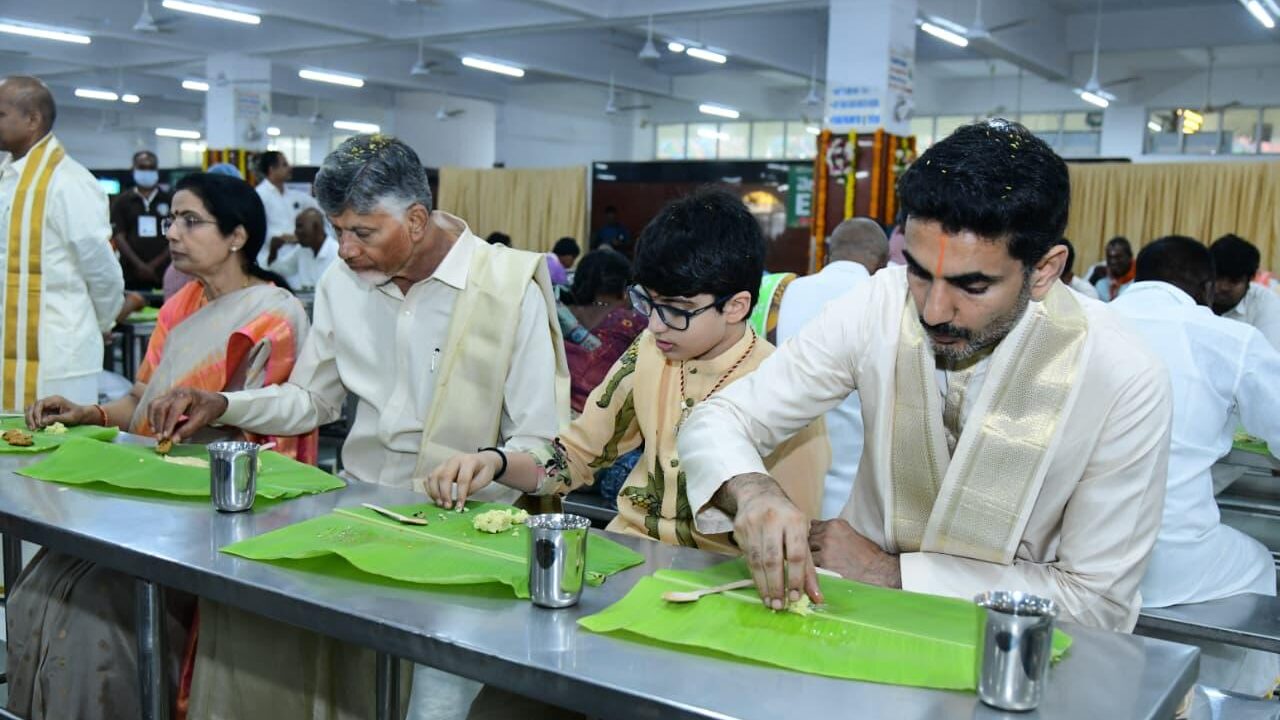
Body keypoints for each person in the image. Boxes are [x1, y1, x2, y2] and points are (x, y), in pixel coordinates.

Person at [676, 119, 1172, 632]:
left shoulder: (1122, 376)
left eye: (972, 285)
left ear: (1045, 269)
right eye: (918, 270)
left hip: (1014, 653)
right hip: (853, 625)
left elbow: (1097, 603)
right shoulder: (879, 303)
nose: (934, 311)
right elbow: (722, 417)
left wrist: (890, 573)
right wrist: (754, 490)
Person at [144, 134, 567, 720]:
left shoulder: (506, 286)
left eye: (362, 232)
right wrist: (223, 403)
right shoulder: (345, 284)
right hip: (363, 515)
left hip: (466, 537)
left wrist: (492, 462)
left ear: (416, 219)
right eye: (337, 229)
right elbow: (313, 400)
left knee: (437, 705)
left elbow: (542, 445)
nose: (344, 250)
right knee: (349, 692)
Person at [8, 171, 312, 720]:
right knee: (39, 588)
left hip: (209, 506)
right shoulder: (181, 304)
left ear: (238, 236)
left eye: (191, 221)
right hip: (145, 494)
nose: (173, 231)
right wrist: (91, 413)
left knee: (94, 614)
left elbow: (265, 430)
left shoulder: (274, 314)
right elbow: (143, 401)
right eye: (172, 218)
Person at [426, 187, 828, 553]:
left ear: (736, 306)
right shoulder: (651, 351)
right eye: (647, 302)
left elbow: (790, 536)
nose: (654, 324)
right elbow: (574, 458)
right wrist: (495, 462)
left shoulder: (782, 389)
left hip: (720, 579)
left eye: (677, 310)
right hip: (628, 553)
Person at [1111, 236, 1280, 695]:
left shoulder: (1090, 322)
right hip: (1167, 558)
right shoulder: (1225, 337)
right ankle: (1233, 699)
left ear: (1138, 277)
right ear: (1205, 288)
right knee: (1260, 564)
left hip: (1075, 552)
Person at [0, 75, 124, 410]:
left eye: (0, 114)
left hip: (58, 353)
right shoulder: (7, 178)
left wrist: (98, 323)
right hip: (6, 349)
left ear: (32, 120)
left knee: (54, 454)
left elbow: (102, 272)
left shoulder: (69, 182)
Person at [776, 217, 889, 519]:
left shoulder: (794, 290)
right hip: (859, 484)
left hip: (793, 470)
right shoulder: (883, 296)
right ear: (883, 262)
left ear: (827, 256)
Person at [560, 249, 645, 414]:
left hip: (553, 415)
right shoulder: (633, 323)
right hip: (605, 422)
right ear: (624, 286)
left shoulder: (559, 314)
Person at [111, 149, 172, 289]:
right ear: (133, 169)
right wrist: (140, 265)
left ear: (157, 170)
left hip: (163, 273)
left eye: (151, 168)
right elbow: (119, 237)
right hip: (131, 274)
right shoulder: (122, 201)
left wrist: (153, 265)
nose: (147, 171)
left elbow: (175, 234)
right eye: (142, 168)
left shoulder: (169, 199)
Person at [1211, 233, 1280, 352]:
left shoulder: (1267, 304)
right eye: (1218, 277)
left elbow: (1269, 359)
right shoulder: (1192, 292)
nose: (1223, 287)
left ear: (1251, 279)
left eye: (1233, 281)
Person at [254, 150, 317, 269]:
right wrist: (284, 238)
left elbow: (319, 208)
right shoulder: (260, 195)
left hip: (295, 258)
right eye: (284, 164)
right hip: (270, 260)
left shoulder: (294, 195)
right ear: (272, 169)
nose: (290, 168)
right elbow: (257, 230)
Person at [267, 207, 337, 291]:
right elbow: (278, 270)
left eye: (300, 226)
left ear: (316, 227)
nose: (296, 232)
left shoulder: (336, 252)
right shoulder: (302, 250)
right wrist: (273, 250)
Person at [1094, 236, 1134, 301]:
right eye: (1109, 257)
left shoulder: (1137, 283)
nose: (1113, 261)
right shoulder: (1100, 285)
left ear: (1130, 257)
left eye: (1118, 257)